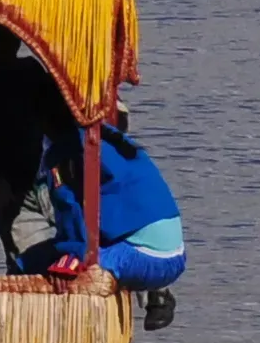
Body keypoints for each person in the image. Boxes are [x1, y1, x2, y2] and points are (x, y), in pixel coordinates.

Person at [31, 107, 187, 327]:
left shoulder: (66, 151)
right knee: (42, 256)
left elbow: (69, 208)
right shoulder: (109, 138)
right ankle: (158, 295)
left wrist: (70, 258)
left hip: (148, 257)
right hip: (177, 254)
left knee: (43, 266)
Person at [0, 13, 74, 271]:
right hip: (23, 189)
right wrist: (0, 196)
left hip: (43, 184)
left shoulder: (22, 74)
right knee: (34, 264)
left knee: (43, 263)